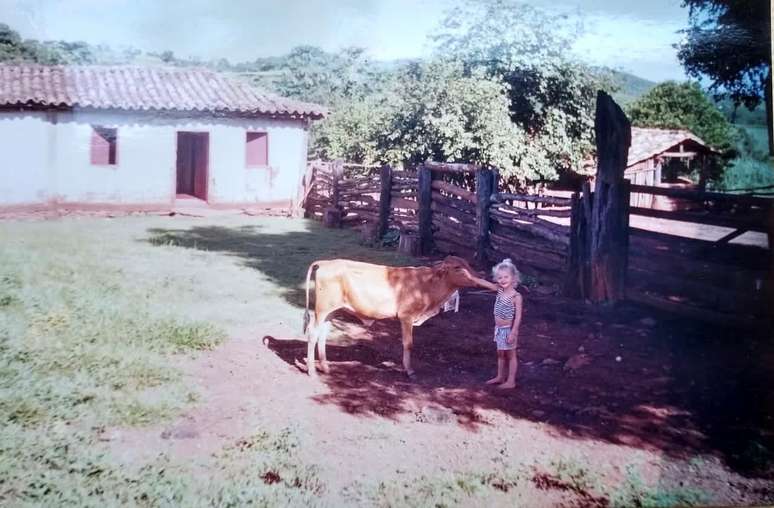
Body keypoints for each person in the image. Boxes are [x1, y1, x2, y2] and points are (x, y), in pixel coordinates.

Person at [485, 258, 523, 389]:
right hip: (499, 329)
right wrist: (469, 277)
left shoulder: (516, 296)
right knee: (500, 353)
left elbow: (518, 317)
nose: (503, 280)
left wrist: (513, 332)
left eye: (506, 277)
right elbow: (483, 283)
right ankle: (500, 376)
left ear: (513, 278)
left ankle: (511, 381)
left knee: (511, 354)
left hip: (508, 330)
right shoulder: (500, 291)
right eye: (500, 277)